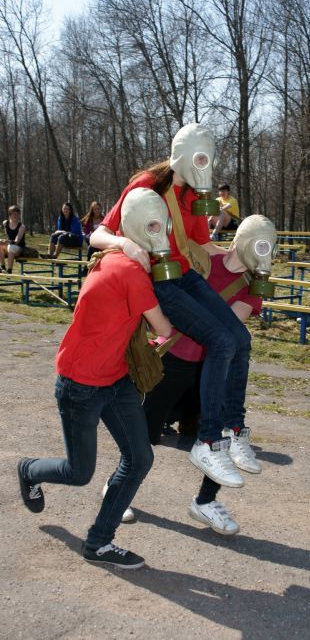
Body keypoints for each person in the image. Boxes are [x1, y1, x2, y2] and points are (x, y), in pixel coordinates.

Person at [90, 123, 255, 489]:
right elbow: (98, 235)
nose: (203, 166)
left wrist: (243, 255)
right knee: (221, 341)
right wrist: (126, 245)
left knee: (240, 340)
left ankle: (234, 429)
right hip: (157, 279)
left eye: (208, 160)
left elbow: (203, 246)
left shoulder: (195, 195)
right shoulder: (147, 185)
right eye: (200, 158)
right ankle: (208, 441)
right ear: (183, 154)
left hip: (185, 276)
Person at [17, 188, 173, 569]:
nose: (162, 234)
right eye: (156, 227)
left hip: (114, 379)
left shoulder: (116, 256)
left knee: (139, 458)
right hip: (80, 385)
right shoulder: (130, 271)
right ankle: (29, 470)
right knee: (79, 472)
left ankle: (99, 542)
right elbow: (165, 329)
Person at [117, 215, 277, 534]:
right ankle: (118, 488)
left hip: (212, 371)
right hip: (174, 361)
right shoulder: (201, 262)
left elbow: (226, 327)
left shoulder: (252, 288)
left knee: (218, 440)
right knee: (144, 435)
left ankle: (205, 502)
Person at [0, 205, 26, 273]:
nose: (15, 215)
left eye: (17, 213)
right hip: (9, 246)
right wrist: (2, 241)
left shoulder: (22, 227)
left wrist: (7, 241)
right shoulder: (5, 223)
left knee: (11, 247)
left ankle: (9, 270)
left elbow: (17, 242)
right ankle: (2, 267)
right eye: (13, 213)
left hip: (19, 248)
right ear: (9, 214)